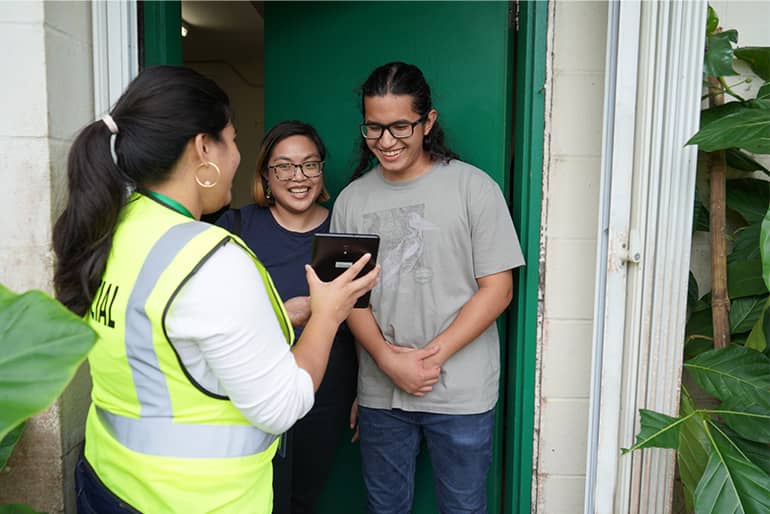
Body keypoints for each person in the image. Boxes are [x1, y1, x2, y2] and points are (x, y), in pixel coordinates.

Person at [52, 66, 378, 514]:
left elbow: (168, 338)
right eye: (233, 139)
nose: (237, 156)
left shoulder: (114, 228)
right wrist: (327, 313)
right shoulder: (213, 258)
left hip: (109, 483)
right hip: (198, 500)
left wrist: (288, 314)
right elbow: (282, 406)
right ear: (204, 147)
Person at [331, 62, 525, 514]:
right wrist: (386, 360)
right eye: (374, 128)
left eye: (400, 126)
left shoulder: (473, 188)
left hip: (461, 391)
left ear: (428, 121)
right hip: (381, 391)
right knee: (384, 508)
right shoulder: (352, 200)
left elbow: (498, 290)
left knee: (463, 508)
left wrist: (425, 359)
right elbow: (347, 296)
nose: (386, 141)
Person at [216, 120, 357, 514]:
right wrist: (283, 314)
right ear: (265, 173)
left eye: (310, 165)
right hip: (249, 392)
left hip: (325, 394)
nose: (299, 177)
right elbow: (212, 309)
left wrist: (367, 389)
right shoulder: (236, 228)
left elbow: (365, 312)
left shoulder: (343, 231)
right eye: (284, 166)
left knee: (300, 501)